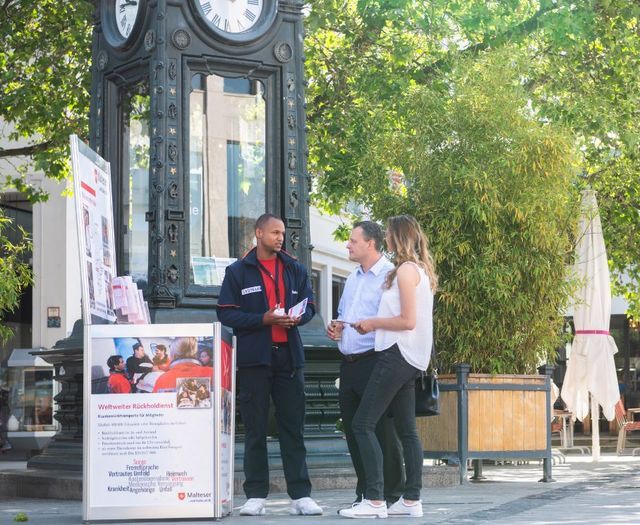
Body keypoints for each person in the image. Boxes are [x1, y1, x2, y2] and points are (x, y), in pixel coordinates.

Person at [217, 213, 322, 517]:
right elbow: (225, 313)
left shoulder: (295, 269)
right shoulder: (238, 272)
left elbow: (310, 306)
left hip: (289, 358)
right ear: (259, 233)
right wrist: (263, 319)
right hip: (254, 360)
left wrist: (297, 318)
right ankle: (255, 495)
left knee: (293, 427)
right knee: (255, 428)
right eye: (275, 232)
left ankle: (301, 495)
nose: (280, 238)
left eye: (283, 233)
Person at [339, 215, 437, 519]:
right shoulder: (419, 271)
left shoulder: (406, 271)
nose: (388, 241)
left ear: (396, 238)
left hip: (395, 355)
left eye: (390, 236)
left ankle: (375, 500)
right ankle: (410, 501)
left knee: (362, 424)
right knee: (407, 430)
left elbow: (407, 320)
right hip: (410, 359)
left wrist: (372, 323)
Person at [326, 221, 405, 507]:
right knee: (353, 431)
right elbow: (344, 316)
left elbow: (400, 320)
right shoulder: (352, 278)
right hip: (348, 364)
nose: (347, 245)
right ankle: (366, 493)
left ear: (370, 243)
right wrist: (337, 329)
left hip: (376, 361)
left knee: (381, 430)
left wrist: (370, 327)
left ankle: (391, 494)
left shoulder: (391, 276)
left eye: (352, 240)